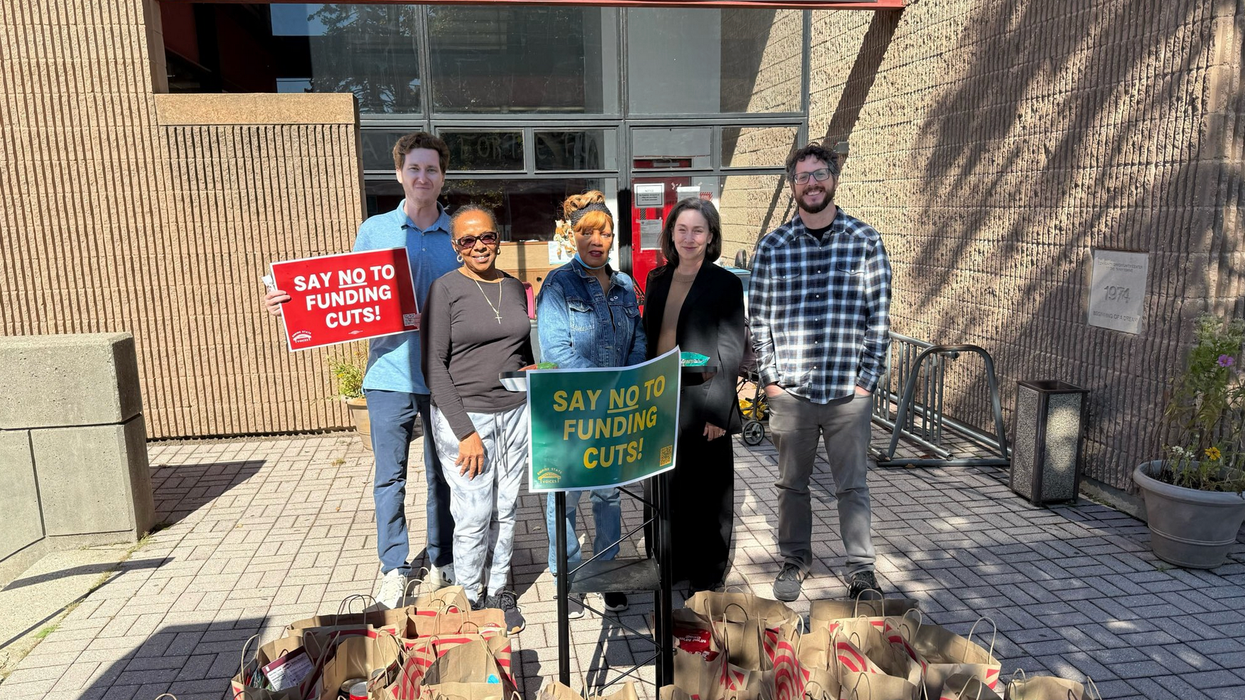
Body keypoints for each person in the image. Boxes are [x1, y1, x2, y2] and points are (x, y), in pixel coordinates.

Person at [265, 132, 458, 608]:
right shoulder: (374, 230)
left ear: (442, 177)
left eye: (431, 169)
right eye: (414, 168)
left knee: (442, 477)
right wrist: (293, 302)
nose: (422, 177)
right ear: (398, 174)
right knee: (389, 478)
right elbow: (343, 292)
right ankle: (394, 567)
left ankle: (443, 559)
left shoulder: (459, 234)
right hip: (388, 375)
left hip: (443, 377)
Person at [749, 141, 892, 602]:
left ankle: (861, 570)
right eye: (802, 177)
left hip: (848, 393)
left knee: (853, 485)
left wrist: (866, 383)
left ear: (833, 178)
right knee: (791, 484)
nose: (811, 184)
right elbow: (759, 320)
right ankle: (795, 559)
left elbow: (879, 319)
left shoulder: (864, 241)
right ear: (793, 185)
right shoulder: (773, 246)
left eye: (819, 175)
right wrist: (771, 382)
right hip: (791, 393)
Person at [422, 205, 532, 631]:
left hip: (515, 413)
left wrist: (533, 371)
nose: (479, 246)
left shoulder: (514, 286)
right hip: (467, 418)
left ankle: (499, 588)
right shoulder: (445, 289)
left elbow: (522, 350)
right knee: (473, 514)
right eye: (468, 240)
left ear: (497, 239)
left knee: (506, 507)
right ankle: (468, 598)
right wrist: (465, 432)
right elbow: (433, 366)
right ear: (456, 247)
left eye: (486, 236)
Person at [536, 191, 646, 614]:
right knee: (566, 499)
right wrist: (605, 385)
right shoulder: (558, 285)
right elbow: (556, 350)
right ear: (573, 236)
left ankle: (605, 570)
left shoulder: (625, 285)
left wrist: (628, 380)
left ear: (613, 237)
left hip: (614, 413)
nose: (596, 240)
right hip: (573, 412)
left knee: (608, 497)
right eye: (586, 232)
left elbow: (638, 340)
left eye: (605, 232)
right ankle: (567, 577)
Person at [642, 198, 745, 592]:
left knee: (706, 493)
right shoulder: (657, 279)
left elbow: (731, 350)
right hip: (659, 397)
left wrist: (719, 412)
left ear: (710, 236)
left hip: (703, 399)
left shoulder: (725, 284)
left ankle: (706, 572)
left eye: (697, 230)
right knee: (666, 488)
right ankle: (671, 563)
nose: (689, 238)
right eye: (681, 229)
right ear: (671, 234)